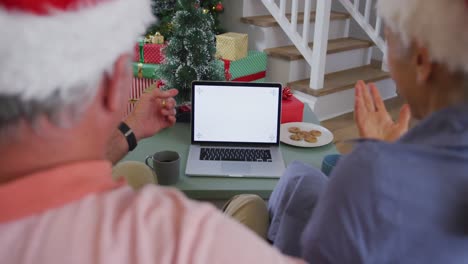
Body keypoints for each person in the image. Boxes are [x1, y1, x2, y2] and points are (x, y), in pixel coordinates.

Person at [0, 0, 304, 263]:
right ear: (111, 83)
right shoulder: (186, 238)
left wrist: (130, 130)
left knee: (135, 170)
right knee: (251, 205)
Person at [268, 0, 468, 262]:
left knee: (280, 189)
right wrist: (392, 157)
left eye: (389, 41)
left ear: (422, 61)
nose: (387, 60)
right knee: (303, 177)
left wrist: (382, 164)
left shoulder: (369, 174)